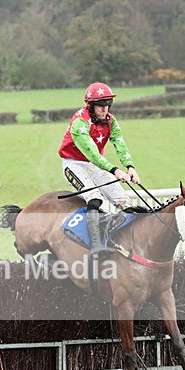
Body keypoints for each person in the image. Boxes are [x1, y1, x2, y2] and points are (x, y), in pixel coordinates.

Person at [58, 81, 142, 255]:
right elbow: (93, 154)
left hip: (94, 165)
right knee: (95, 199)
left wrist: (130, 167)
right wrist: (115, 171)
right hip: (73, 164)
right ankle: (96, 246)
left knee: (124, 202)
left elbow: (119, 143)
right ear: (91, 106)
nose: (105, 109)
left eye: (108, 104)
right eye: (100, 105)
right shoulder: (80, 122)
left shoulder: (111, 120)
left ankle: (126, 241)